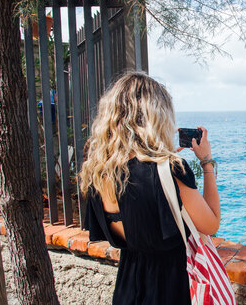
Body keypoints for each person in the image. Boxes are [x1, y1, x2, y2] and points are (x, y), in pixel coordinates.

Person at [80, 72, 220, 304]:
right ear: (157, 115)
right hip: (171, 288)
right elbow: (211, 223)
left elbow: (134, 217)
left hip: (128, 286)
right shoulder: (172, 170)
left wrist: (159, 162)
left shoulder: (99, 171)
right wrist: (206, 162)